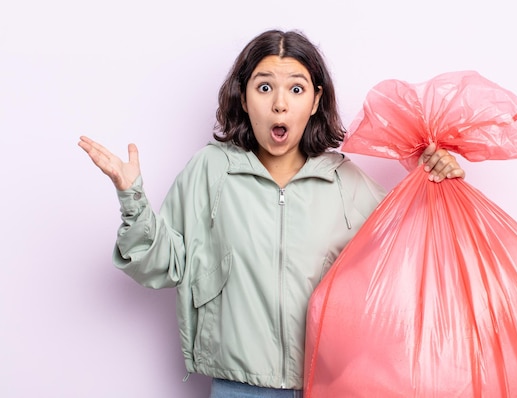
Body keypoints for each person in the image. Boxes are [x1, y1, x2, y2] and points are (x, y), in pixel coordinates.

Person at [78, 29, 465, 398]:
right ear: (243, 98)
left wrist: (435, 182)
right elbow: (161, 265)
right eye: (265, 87)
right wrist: (132, 198)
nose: (279, 103)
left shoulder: (346, 182)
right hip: (237, 387)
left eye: (295, 89)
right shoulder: (210, 171)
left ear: (314, 101)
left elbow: (411, 259)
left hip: (329, 384)